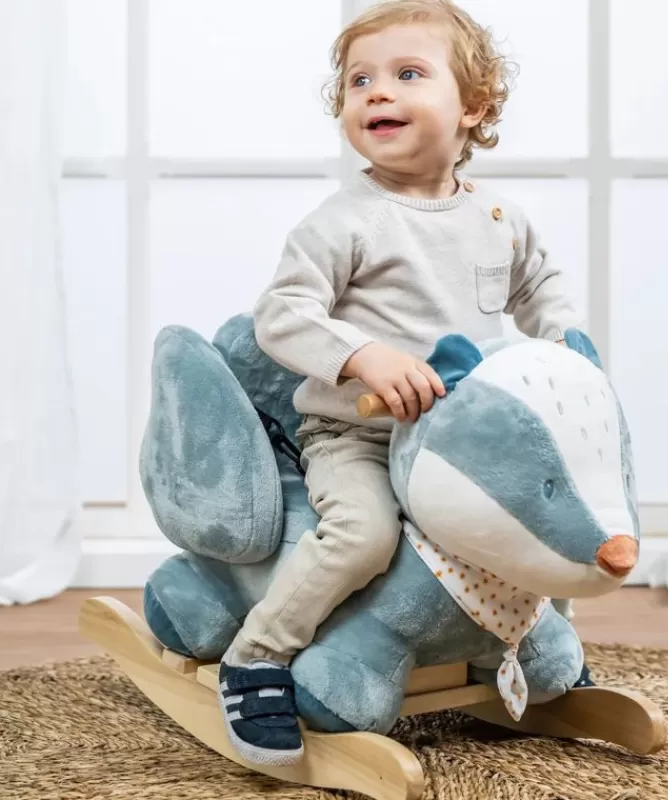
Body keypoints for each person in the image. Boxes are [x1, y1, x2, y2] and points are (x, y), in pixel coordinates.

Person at [217, 0, 582, 766]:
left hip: (455, 440)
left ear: (472, 106)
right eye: (358, 82)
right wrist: (362, 355)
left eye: (407, 74)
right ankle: (256, 658)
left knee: (531, 516)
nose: (376, 93)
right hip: (358, 430)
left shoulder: (496, 217)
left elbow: (543, 288)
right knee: (365, 535)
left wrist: (565, 349)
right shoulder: (346, 220)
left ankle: (517, 647)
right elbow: (279, 316)